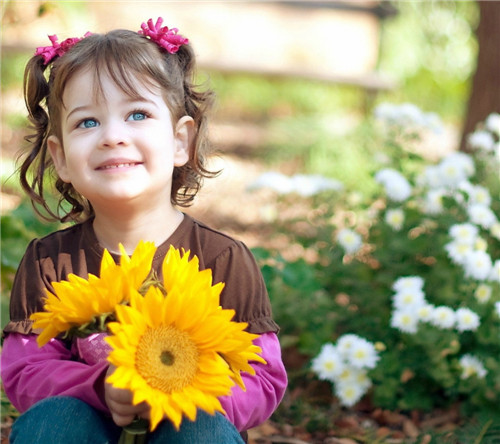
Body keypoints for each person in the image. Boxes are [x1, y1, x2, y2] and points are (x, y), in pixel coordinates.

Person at [1, 18, 287, 444]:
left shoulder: (223, 261)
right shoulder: (51, 261)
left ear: (179, 141)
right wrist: (101, 388)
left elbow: (262, 378)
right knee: (54, 421)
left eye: (137, 114)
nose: (113, 136)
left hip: (189, 423)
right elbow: (25, 370)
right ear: (60, 157)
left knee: (202, 429)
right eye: (87, 123)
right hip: (87, 429)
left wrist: (183, 392)